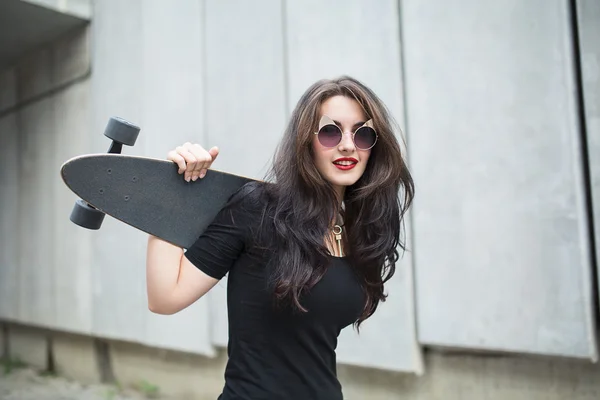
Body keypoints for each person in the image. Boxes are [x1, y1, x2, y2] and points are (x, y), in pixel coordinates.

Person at [145, 76, 414, 400]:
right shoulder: (258, 209)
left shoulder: (355, 229)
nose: (347, 144)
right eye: (330, 131)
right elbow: (165, 298)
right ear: (306, 141)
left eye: (362, 133)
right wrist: (170, 194)